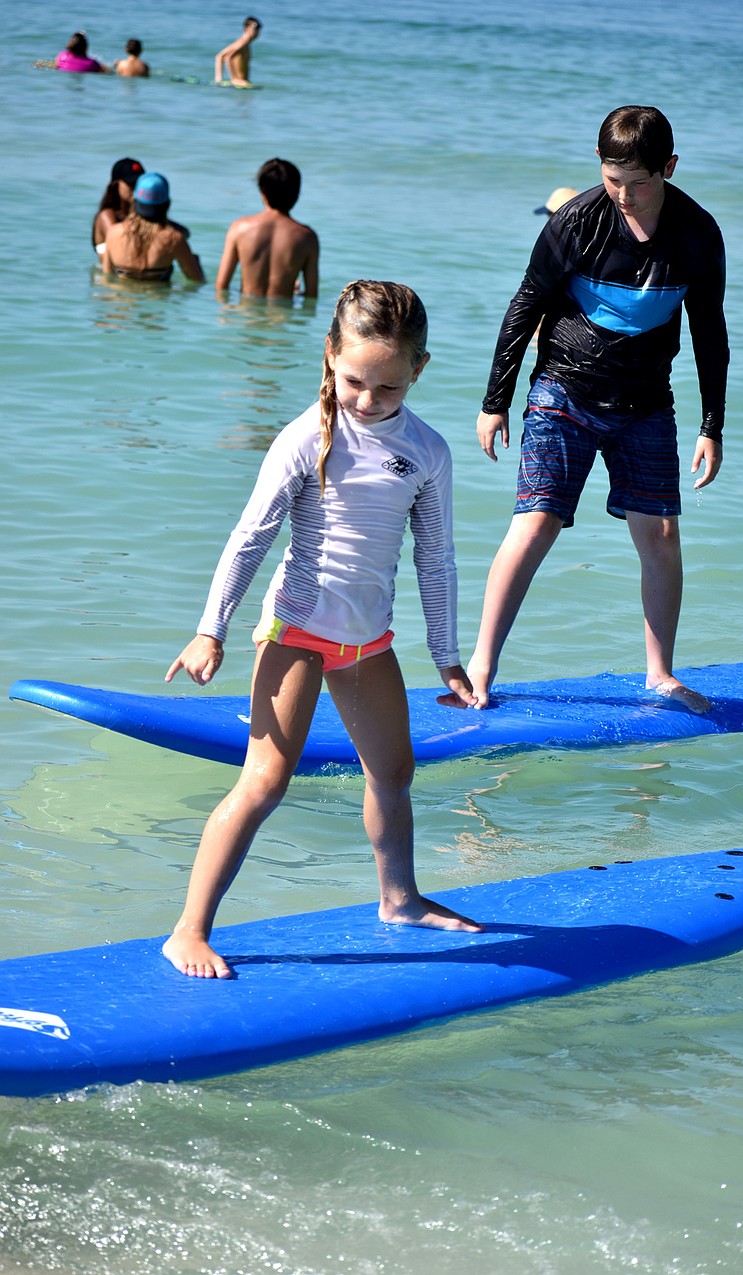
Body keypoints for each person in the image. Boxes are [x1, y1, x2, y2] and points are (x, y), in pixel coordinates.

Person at [161, 280, 482, 978]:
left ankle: (399, 899)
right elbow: (252, 536)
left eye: (388, 388)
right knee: (266, 780)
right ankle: (188, 929)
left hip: (369, 640)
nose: (368, 400)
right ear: (331, 354)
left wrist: (449, 657)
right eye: (355, 382)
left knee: (394, 772)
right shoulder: (305, 437)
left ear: (419, 370)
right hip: (299, 630)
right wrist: (210, 629)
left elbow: (437, 556)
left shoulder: (427, 450)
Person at [469, 105, 729, 715]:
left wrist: (712, 425)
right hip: (563, 390)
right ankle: (481, 665)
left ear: (668, 167)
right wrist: (495, 401)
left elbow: (710, 334)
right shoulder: (576, 222)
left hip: (645, 403)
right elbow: (525, 304)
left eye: (639, 183)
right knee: (537, 523)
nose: (626, 196)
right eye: (614, 182)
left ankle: (660, 674)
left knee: (661, 534)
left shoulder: (696, 233)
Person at [215, 158, 320, 299]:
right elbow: (311, 296)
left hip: (246, 316)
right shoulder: (307, 238)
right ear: (296, 193)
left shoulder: (239, 229)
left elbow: (221, 287)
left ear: (262, 191)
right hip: (283, 318)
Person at [102, 173, 204, 282]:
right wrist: (196, 263)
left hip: (120, 297)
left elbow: (107, 276)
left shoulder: (113, 232)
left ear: (135, 201)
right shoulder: (174, 239)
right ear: (167, 204)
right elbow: (197, 281)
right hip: (157, 297)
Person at [91, 157, 144, 256]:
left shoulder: (139, 213)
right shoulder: (106, 216)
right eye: (131, 184)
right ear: (116, 185)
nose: (136, 188)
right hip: (112, 271)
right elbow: (122, 248)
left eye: (140, 184)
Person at [215, 16, 262, 87]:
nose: (257, 32)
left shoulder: (243, 42)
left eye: (258, 30)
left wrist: (219, 79)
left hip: (242, 83)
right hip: (240, 83)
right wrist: (234, 79)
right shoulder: (242, 43)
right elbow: (225, 57)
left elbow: (221, 56)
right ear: (246, 28)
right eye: (254, 29)